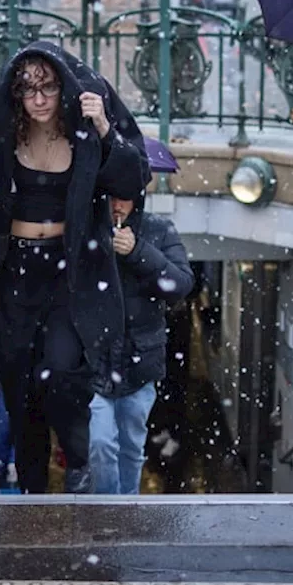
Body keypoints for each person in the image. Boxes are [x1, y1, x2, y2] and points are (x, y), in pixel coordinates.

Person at [0, 40, 150, 494]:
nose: (37, 99)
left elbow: (133, 177)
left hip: (69, 270)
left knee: (59, 370)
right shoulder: (0, 132)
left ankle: (76, 459)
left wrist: (105, 128)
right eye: (27, 89)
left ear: (63, 90)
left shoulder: (86, 133)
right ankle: (33, 487)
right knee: (18, 383)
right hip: (14, 270)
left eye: (47, 88)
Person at [90, 193, 193, 494]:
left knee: (131, 446)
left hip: (139, 364)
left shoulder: (158, 229)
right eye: (111, 198)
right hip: (95, 362)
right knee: (100, 443)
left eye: (126, 198)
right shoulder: (87, 227)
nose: (118, 206)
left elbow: (181, 284)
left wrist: (137, 251)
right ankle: (109, 508)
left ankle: (127, 504)